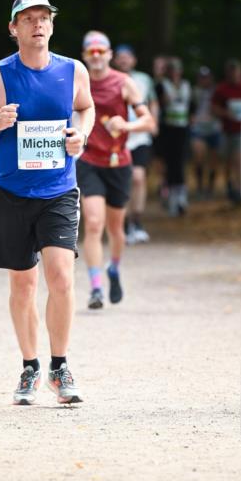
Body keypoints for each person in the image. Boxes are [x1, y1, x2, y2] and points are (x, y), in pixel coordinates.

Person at [0, 0, 95, 406]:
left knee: (61, 277)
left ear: (52, 26)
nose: (38, 25)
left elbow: (86, 109)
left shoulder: (73, 70)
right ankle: (30, 367)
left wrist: (82, 135)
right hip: (12, 192)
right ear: (13, 28)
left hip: (58, 190)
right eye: (28, 19)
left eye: (44, 18)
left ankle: (59, 366)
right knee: (23, 285)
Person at [77, 31, 154, 308]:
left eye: (101, 51)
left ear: (109, 54)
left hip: (118, 162)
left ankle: (114, 269)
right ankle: (96, 288)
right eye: (91, 52)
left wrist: (127, 125)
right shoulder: (77, 82)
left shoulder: (124, 82)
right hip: (89, 162)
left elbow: (149, 123)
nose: (96, 57)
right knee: (94, 223)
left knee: (116, 229)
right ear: (85, 56)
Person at [113, 44, 159, 243]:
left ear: (134, 60)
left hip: (139, 136)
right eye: (120, 57)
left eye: (127, 57)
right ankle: (121, 224)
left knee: (138, 177)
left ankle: (137, 221)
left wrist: (153, 122)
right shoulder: (109, 78)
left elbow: (152, 102)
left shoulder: (144, 80)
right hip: (116, 137)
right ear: (115, 60)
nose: (124, 60)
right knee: (121, 180)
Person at [212, 58, 241, 204]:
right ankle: (230, 185)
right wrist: (226, 114)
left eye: (236, 73)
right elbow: (214, 108)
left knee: (240, 159)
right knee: (228, 161)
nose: (234, 76)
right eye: (231, 74)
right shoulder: (221, 89)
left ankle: (240, 189)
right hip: (227, 130)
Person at [156, 57, 191, 216]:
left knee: (181, 162)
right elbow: (157, 104)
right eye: (171, 70)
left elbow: (192, 106)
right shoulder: (162, 85)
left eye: (177, 70)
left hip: (183, 129)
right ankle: (170, 198)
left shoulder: (186, 85)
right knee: (169, 163)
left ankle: (181, 197)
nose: (174, 73)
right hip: (167, 129)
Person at [190, 66, 222, 198]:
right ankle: (199, 186)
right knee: (199, 156)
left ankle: (210, 187)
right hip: (198, 128)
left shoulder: (217, 91)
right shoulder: (193, 92)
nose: (204, 80)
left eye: (206, 77)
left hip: (214, 128)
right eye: (201, 78)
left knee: (213, 160)